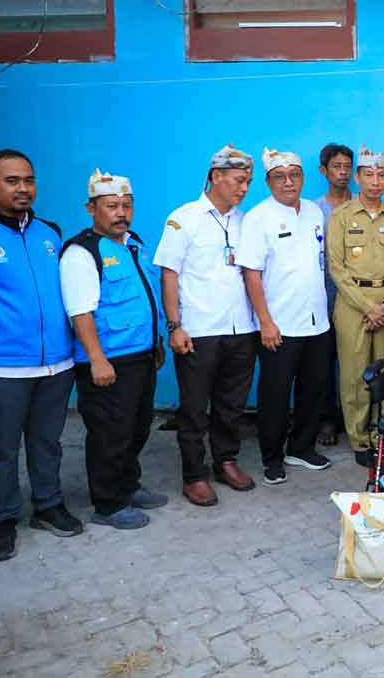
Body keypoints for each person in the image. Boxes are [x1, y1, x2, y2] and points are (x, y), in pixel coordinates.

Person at [0, 150, 83, 561]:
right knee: (1, 449)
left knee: (48, 442)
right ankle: (1, 521)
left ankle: (47, 506)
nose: (22, 188)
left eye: (28, 180)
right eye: (11, 180)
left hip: (55, 363)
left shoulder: (50, 234)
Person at [60, 170, 167, 530]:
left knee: (136, 428)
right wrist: (97, 359)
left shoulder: (131, 243)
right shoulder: (82, 252)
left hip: (140, 354)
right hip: (109, 361)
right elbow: (81, 312)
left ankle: (128, 486)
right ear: (91, 208)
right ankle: (106, 504)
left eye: (126, 205)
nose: (121, 212)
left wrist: (157, 342)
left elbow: (145, 297)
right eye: (111, 206)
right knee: (110, 433)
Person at [153, 145, 259, 507]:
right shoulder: (184, 218)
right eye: (239, 180)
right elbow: (169, 274)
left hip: (241, 327)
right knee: (195, 407)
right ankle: (194, 474)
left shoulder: (244, 221)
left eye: (248, 182)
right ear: (216, 176)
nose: (244, 188)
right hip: (198, 329)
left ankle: (225, 461)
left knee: (232, 404)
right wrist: (174, 326)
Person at [237, 148, 333, 486]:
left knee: (313, 388)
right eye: (280, 176)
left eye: (294, 175)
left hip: (317, 320)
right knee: (276, 394)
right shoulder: (257, 218)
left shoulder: (313, 213)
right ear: (269, 182)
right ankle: (272, 457)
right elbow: (251, 273)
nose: (288, 182)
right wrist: (265, 321)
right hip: (279, 324)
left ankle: (301, 448)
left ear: (303, 178)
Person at [327, 147, 384, 466]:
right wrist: (367, 307)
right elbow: (336, 268)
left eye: (381, 175)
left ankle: (383, 433)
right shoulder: (341, 217)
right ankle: (360, 438)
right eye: (368, 175)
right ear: (358, 177)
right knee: (354, 374)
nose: (375, 182)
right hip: (353, 306)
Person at [313, 143, 354, 447]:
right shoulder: (315, 211)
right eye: (337, 167)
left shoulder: (361, 204)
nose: (343, 173)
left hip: (357, 298)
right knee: (325, 361)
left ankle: (355, 418)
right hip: (325, 295)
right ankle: (327, 419)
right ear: (323, 171)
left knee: (355, 361)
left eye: (347, 167)